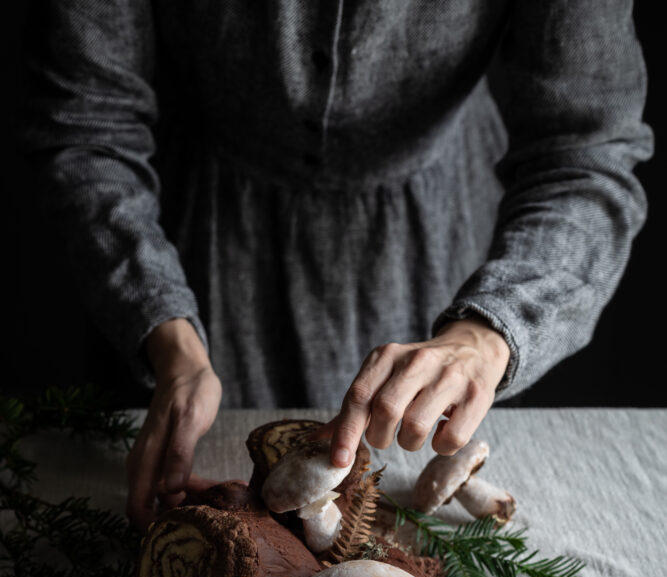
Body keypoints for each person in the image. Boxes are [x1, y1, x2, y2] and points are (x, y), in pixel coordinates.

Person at [24, 2, 652, 529]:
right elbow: (87, 119)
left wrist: (486, 334)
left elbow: (587, 151)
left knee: (411, 524)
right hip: (194, 246)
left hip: (443, 252)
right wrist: (168, 338)